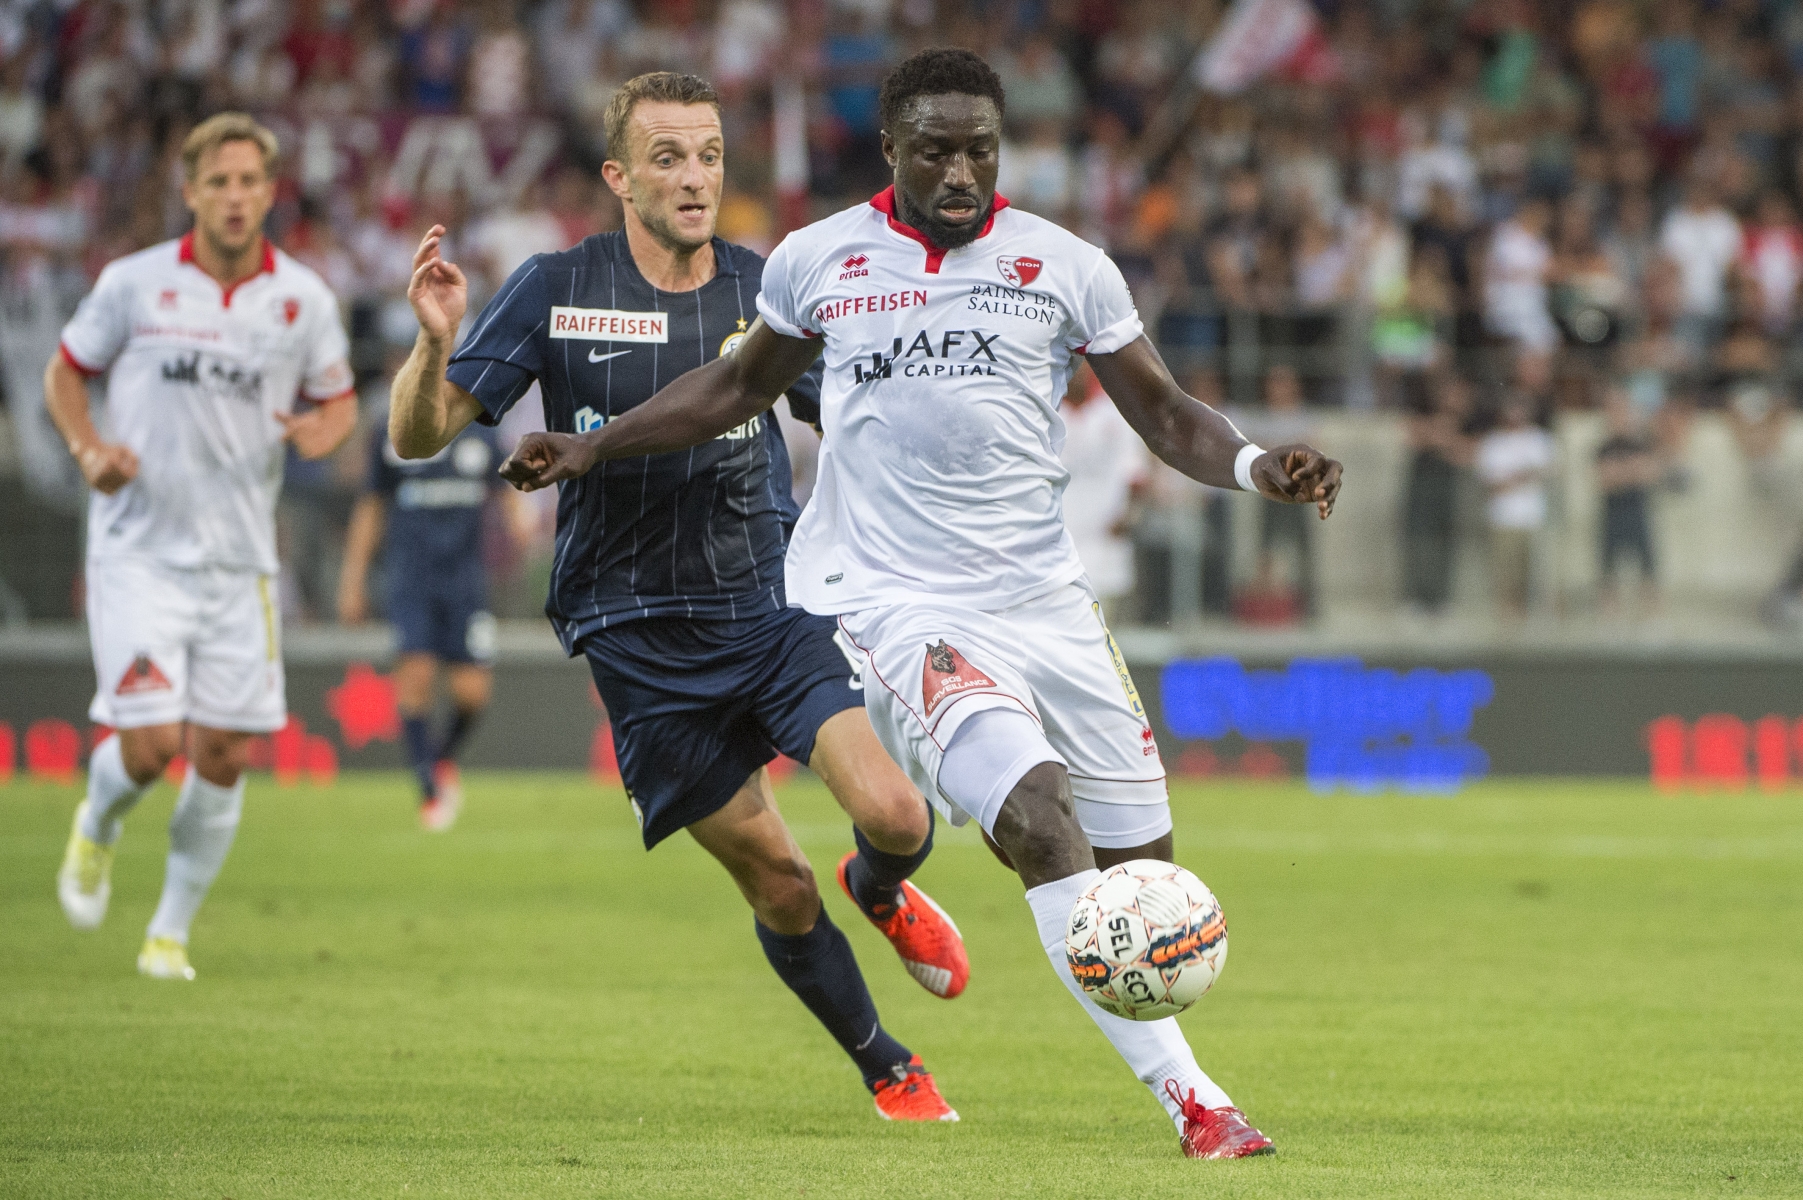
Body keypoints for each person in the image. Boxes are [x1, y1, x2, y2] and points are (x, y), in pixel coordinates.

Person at [501, 49, 1343, 1160]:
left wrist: (1255, 466)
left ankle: (892, 878)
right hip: (896, 604)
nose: (961, 171)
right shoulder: (819, 262)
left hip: (1047, 603)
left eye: (980, 149)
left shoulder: (1064, 265)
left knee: (1140, 881)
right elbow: (738, 388)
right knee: (1042, 824)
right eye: (937, 149)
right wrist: (597, 446)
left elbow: (1167, 413)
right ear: (891, 148)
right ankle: (1199, 1106)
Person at [385, 72, 966, 1121]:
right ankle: (887, 1062)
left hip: (767, 601)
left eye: (707, 154)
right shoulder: (555, 284)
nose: (694, 177)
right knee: (779, 880)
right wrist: (432, 345)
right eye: (666, 157)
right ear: (619, 177)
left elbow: (852, 418)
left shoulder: (766, 285)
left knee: (891, 809)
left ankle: (879, 887)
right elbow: (417, 437)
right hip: (634, 635)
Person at [49, 113, 358, 980]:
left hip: (239, 564)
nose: (233, 196)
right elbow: (65, 370)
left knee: (222, 752)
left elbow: (336, 400)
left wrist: (324, 433)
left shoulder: (302, 299)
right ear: (188, 192)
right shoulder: (134, 284)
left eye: (248, 181)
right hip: (139, 552)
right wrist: (87, 450)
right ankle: (98, 824)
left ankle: (168, 933)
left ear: (268, 192)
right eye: (216, 182)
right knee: (150, 747)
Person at [337, 416, 528, 829]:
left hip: (466, 583)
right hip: (412, 582)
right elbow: (371, 506)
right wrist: (353, 579)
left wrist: (520, 519)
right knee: (417, 676)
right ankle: (428, 790)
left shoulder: (480, 432)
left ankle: (439, 759)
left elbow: (508, 487)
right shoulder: (393, 432)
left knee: (473, 694)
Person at [1057, 362, 1145, 624]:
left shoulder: (1114, 412)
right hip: (1057, 542)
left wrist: (1128, 518)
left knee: (1103, 630)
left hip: (1103, 541)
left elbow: (1136, 475)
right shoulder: (1046, 412)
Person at [1476, 397, 1554, 620]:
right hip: (1503, 519)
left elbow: (1546, 473)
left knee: (1532, 577)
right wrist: (1523, 476)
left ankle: (1528, 619)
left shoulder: (1539, 439)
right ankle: (1507, 619)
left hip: (1532, 518)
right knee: (1505, 575)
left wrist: (1511, 479)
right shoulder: (1494, 442)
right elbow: (1491, 485)